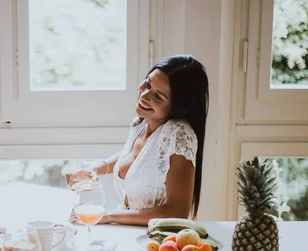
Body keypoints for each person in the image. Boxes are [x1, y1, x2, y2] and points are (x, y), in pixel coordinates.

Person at [66, 54, 209, 226]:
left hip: (155, 243)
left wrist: (109, 215)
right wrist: (95, 169)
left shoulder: (179, 134)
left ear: (177, 108)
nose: (145, 95)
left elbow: (177, 212)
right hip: (128, 232)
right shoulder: (142, 123)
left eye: (158, 97)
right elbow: (137, 157)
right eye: (148, 83)